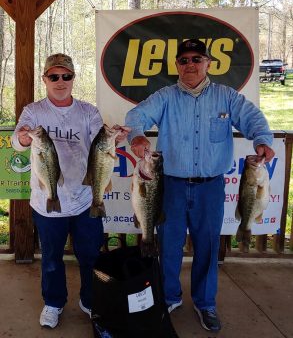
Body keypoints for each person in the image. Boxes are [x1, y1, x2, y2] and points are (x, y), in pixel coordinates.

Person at [125, 39, 275, 332]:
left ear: (208, 63)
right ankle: (169, 297)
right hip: (171, 186)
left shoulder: (227, 97)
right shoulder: (165, 96)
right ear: (177, 66)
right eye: (184, 60)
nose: (190, 64)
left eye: (197, 59)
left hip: (210, 187)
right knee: (168, 245)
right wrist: (137, 136)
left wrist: (263, 141)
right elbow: (136, 116)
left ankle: (205, 303)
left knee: (207, 246)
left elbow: (254, 119)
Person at [11, 53, 129, 329]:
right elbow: (18, 142)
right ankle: (53, 303)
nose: (60, 81)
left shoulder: (88, 112)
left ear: (74, 78)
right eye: (54, 76)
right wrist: (25, 137)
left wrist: (115, 137)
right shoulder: (33, 111)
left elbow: (101, 141)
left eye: (66, 76)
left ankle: (90, 301)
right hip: (47, 200)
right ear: (45, 79)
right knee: (51, 259)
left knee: (90, 256)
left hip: (86, 199)